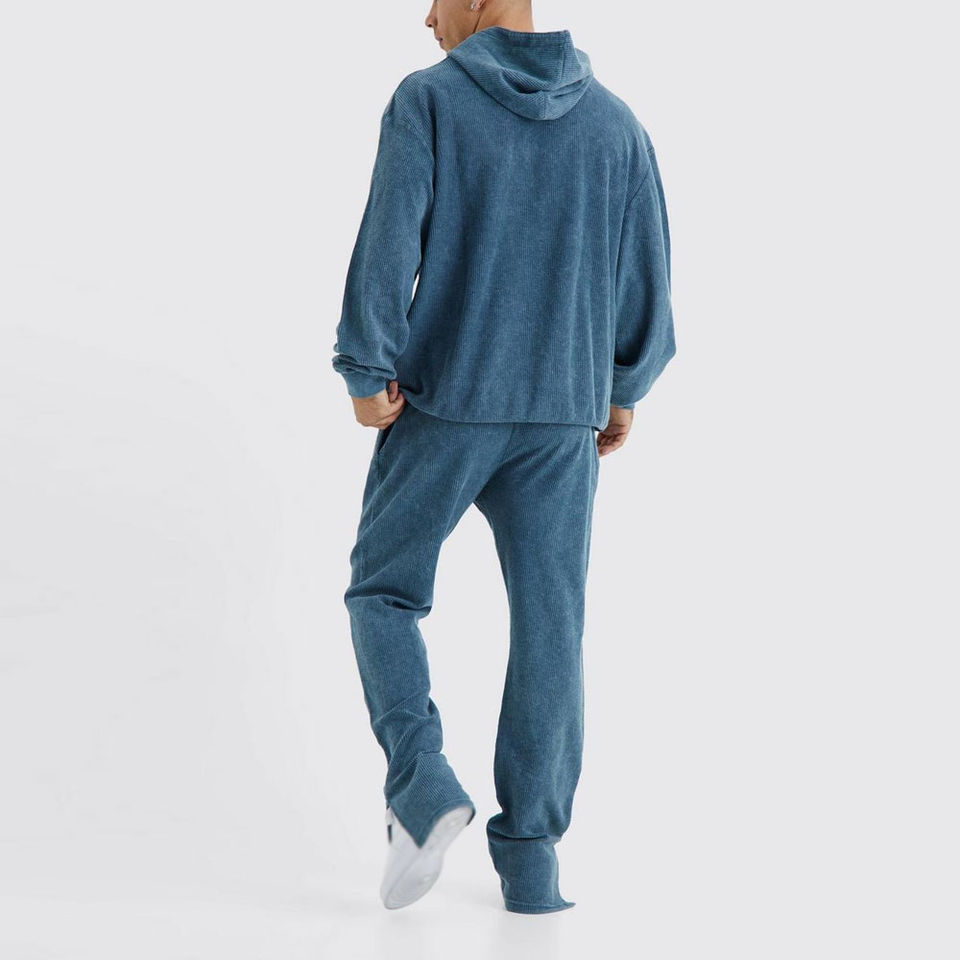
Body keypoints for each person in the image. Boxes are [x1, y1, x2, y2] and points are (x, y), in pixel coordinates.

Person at [331, 0, 676, 914]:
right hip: (563, 417)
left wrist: (365, 367)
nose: (426, 17)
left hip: (446, 401)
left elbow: (387, 247)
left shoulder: (429, 101)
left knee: (383, 592)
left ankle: (422, 786)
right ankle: (532, 866)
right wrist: (622, 387)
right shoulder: (617, 126)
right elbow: (646, 275)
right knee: (551, 626)